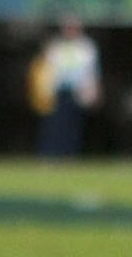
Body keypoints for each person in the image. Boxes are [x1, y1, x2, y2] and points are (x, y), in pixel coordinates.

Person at [31, 14, 101, 159]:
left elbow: (92, 70)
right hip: (59, 90)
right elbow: (47, 68)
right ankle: (51, 154)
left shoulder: (86, 46)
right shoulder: (56, 46)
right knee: (55, 124)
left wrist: (93, 89)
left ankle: (71, 154)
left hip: (78, 90)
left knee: (74, 124)